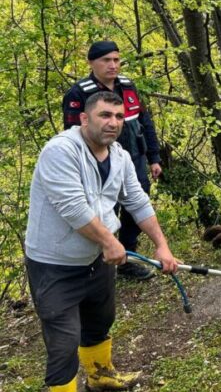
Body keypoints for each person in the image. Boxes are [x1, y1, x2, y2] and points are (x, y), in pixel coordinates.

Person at [25, 91, 179, 391]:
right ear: (84, 118)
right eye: (105, 115)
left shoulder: (119, 156)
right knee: (64, 340)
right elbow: (72, 207)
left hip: (97, 260)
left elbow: (136, 200)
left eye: (119, 117)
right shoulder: (60, 151)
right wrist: (111, 242)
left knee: (99, 321)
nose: (113, 123)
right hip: (55, 264)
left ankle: (100, 377)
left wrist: (162, 244)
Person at [63, 40, 162, 280]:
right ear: (91, 63)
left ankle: (127, 259)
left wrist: (154, 157)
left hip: (133, 159)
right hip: (99, 164)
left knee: (136, 207)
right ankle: (103, 261)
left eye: (116, 60)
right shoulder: (79, 93)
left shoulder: (128, 86)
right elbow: (73, 134)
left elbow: (145, 122)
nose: (113, 65)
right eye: (106, 60)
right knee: (104, 210)